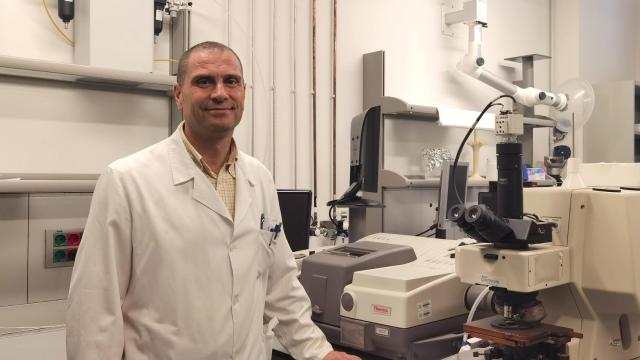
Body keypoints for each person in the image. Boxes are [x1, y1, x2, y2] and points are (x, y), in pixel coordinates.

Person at [66, 41, 359, 360]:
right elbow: (95, 309)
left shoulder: (258, 177)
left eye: (231, 81)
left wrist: (319, 352)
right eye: (204, 81)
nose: (220, 92)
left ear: (243, 92)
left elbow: (280, 284)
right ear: (179, 95)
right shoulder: (126, 180)